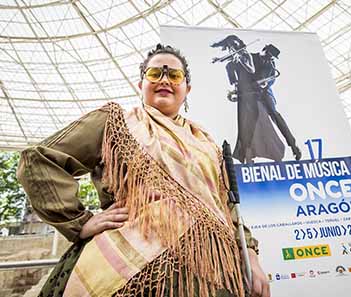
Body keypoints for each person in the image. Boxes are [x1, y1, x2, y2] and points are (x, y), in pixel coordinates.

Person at [17, 44, 270, 297]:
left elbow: (226, 207)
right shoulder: (115, 122)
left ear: (187, 89)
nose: (164, 80)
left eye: (174, 75)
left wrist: (251, 256)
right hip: (132, 273)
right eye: (154, 74)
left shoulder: (207, 143)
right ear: (141, 85)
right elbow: (37, 161)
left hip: (213, 273)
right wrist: (80, 222)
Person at [211, 36, 285, 164]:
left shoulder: (246, 55)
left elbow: (251, 69)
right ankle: (248, 156)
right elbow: (233, 71)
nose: (233, 49)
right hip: (243, 95)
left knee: (259, 125)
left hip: (254, 96)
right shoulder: (232, 61)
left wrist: (240, 59)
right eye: (230, 48)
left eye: (235, 46)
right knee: (244, 126)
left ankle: (272, 153)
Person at [252, 44, 301, 161]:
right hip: (252, 94)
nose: (270, 58)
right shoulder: (250, 58)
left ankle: (293, 146)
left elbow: (272, 78)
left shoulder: (271, 64)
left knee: (275, 115)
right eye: (269, 55)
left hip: (265, 94)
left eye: (272, 57)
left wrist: (266, 84)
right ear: (263, 49)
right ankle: (250, 153)